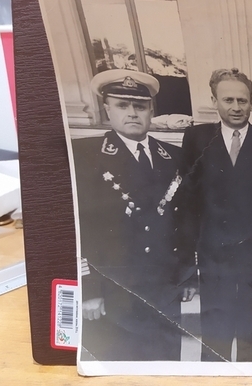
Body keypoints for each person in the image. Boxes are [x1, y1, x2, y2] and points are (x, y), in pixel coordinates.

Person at [75, 69, 187, 361]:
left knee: (167, 365)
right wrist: (88, 290)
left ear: (151, 110)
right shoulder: (84, 155)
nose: (132, 113)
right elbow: (80, 228)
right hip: (114, 291)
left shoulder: (172, 156)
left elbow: (184, 221)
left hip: (164, 289)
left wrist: (186, 277)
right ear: (107, 109)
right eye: (122, 105)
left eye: (140, 106)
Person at [174, 68, 252, 362]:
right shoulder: (196, 137)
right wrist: (190, 252)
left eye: (242, 100)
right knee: (215, 327)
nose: (236, 107)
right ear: (214, 101)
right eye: (228, 100)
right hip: (214, 251)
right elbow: (187, 199)